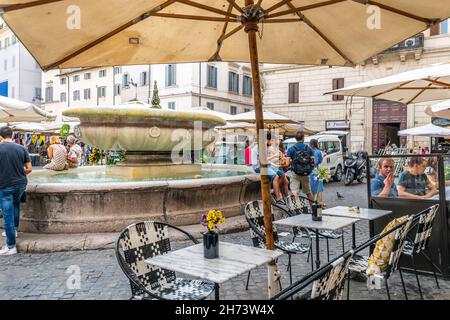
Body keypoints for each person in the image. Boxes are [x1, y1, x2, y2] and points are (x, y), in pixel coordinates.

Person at [0, 126, 32, 255]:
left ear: (0, 137)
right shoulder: (22, 148)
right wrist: (19, 172)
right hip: (20, 184)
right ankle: (15, 230)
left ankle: (11, 246)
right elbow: (29, 168)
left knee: (7, 214)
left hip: (4, 185)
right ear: (12, 135)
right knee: (15, 205)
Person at [251, 133, 286, 205]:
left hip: (266, 165)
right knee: (275, 177)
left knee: (282, 175)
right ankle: (278, 198)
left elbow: (267, 161)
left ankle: (274, 190)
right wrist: (274, 156)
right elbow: (262, 161)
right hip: (259, 167)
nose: (271, 142)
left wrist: (276, 165)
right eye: (270, 140)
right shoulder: (258, 148)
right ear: (267, 140)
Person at [285, 131, 314, 202]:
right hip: (306, 173)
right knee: (308, 192)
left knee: (295, 192)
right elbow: (313, 162)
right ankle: (314, 209)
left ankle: (298, 209)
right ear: (303, 138)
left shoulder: (291, 149)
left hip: (295, 173)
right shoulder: (309, 148)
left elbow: (287, 163)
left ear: (295, 138)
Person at [309, 139, 325, 206]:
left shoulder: (309, 152)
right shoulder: (318, 151)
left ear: (312, 144)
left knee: (313, 188)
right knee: (320, 187)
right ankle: (321, 203)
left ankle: (315, 203)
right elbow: (320, 161)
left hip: (312, 171)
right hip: (318, 170)